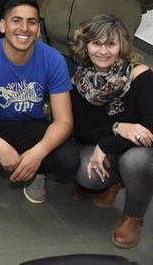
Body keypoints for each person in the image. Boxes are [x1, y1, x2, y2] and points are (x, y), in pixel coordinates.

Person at [0, 0, 79, 204]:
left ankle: (36, 170)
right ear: (3, 25)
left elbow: (64, 121)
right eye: (16, 20)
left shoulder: (53, 59)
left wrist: (38, 153)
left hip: (32, 122)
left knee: (68, 160)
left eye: (32, 22)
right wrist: (1, 146)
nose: (24, 28)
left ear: (39, 29)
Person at [69, 15, 153, 248]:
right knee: (87, 176)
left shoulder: (141, 75)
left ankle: (133, 217)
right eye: (96, 43)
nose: (103, 51)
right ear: (86, 46)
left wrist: (106, 144)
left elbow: (150, 131)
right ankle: (113, 181)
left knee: (135, 162)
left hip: (141, 147)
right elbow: (84, 132)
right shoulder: (80, 81)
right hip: (107, 142)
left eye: (111, 44)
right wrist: (117, 128)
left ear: (122, 46)